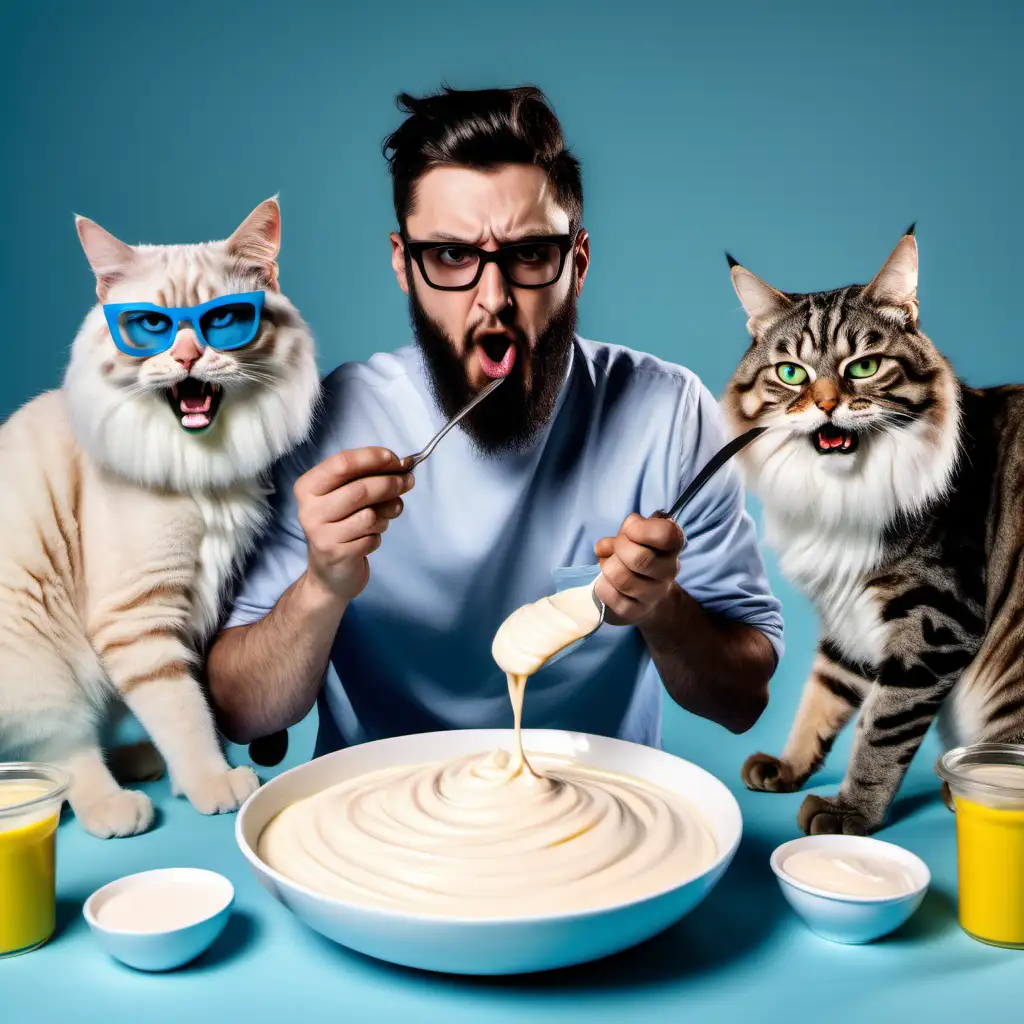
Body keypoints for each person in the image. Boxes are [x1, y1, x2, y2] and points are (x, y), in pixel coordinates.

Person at [207, 85, 783, 759]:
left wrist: (662, 608)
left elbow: (744, 701)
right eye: (451, 256)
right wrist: (320, 586)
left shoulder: (668, 414)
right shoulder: (327, 421)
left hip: (598, 820)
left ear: (578, 262)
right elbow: (241, 711)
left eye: (530, 253)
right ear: (404, 264)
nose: (493, 300)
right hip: (377, 829)